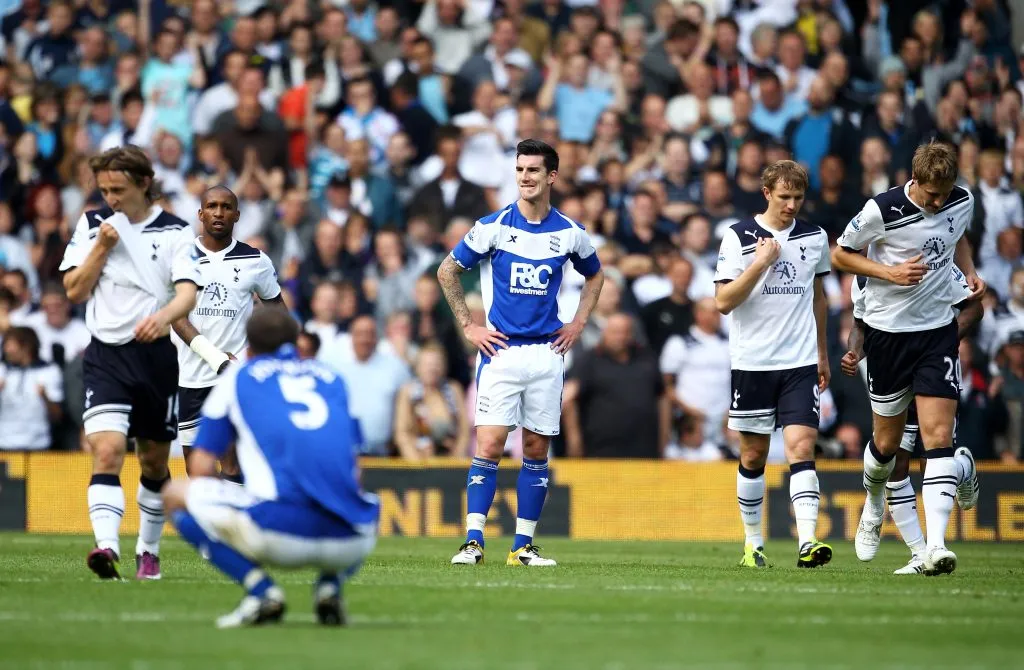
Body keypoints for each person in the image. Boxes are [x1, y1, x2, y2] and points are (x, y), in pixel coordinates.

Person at [437, 138, 604, 567]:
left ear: (551, 176)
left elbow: (596, 275)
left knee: (535, 449)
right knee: (490, 443)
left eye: (533, 170)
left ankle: (522, 547)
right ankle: (473, 542)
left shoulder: (569, 232)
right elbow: (447, 270)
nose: (525, 177)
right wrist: (469, 326)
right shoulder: (493, 226)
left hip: (547, 353)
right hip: (502, 351)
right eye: (520, 170)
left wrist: (579, 322)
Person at [161, 306, 379, 628]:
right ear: (297, 342)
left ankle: (261, 590)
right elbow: (355, 469)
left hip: (278, 535)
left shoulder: (239, 376)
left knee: (174, 494)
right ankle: (330, 586)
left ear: (248, 347)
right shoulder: (333, 377)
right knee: (369, 503)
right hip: (351, 539)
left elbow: (202, 465)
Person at [832, 141, 984, 576]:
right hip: (887, 337)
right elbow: (840, 253)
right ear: (913, 181)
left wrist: (969, 270)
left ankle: (934, 548)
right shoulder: (881, 210)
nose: (939, 203)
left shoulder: (961, 199)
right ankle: (874, 501)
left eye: (945, 193)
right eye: (931, 194)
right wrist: (889, 273)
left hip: (935, 333)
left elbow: (958, 236)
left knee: (937, 438)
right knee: (886, 446)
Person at [59, 145, 202, 581]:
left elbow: (187, 293)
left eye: (118, 189)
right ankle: (106, 546)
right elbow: (73, 290)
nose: (111, 199)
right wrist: (101, 248)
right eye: (104, 189)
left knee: (155, 462)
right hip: (106, 356)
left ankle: (149, 550)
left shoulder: (176, 232)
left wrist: (163, 319)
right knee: (107, 449)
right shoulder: (92, 225)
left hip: (157, 357)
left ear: (144, 183)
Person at [714, 160, 833, 569]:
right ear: (766, 193)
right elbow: (724, 302)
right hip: (753, 362)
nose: (791, 205)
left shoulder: (815, 237)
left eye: (798, 197)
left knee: (801, 447)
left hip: (800, 361)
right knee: (753, 455)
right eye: (784, 197)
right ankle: (753, 544)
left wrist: (822, 352)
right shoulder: (738, 236)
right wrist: (760, 263)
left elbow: (820, 296)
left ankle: (808, 542)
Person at [841, 264, 983, 575]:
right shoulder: (865, 275)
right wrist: (854, 353)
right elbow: (860, 324)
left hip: (931, 364)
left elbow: (974, 305)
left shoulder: (936, 260)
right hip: (891, 365)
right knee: (893, 457)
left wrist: (946, 340)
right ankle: (919, 552)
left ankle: (934, 545)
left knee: (932, 453)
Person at [170, 185, 283, 481]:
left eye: (225, 207)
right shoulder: (181, 258)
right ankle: (214, 527)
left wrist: (251, 356)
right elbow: (177, 318)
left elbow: (278, 315)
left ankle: (237, 526)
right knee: (197, 472)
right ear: (200, 213)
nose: (218, 212)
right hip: (191, 377)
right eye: (211, 206)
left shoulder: (255, 261)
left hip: (234, 378)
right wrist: (217, 358)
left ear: (237, 215)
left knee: (232, 466)